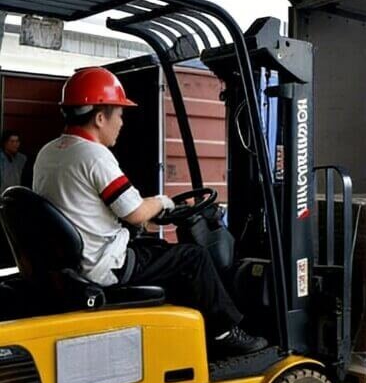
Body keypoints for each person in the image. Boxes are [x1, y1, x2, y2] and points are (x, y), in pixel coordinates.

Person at [33, 67, 267, 357]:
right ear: (100, 117)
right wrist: (163, 202)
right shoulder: (93, 156)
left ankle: (188, 335)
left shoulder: (50, 152)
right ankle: (223, 332)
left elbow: (99, 207)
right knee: (193, 258)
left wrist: (151, 211)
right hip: (104, 265)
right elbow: (135, 212)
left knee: (160, 249)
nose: (121, 123)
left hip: (79, 259)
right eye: (119, 114)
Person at [0, 130, 27, 194]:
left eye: (17, 141)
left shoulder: (22, 159)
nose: (15, 144)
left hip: (16, 193)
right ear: (5, 143)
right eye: (12, 141)